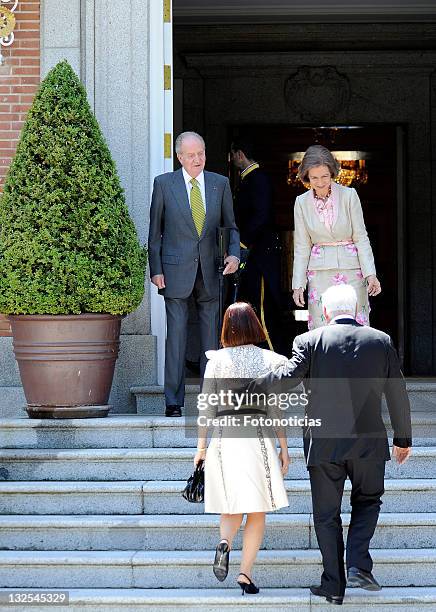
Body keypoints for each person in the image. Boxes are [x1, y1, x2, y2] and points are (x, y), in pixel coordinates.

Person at [250, 284, 412, 605]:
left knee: (326, 516)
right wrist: (403, 439)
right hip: (369, 441)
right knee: (368, 501)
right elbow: (398, 394)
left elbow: (287, 378)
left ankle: (333, 585)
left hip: (323, 443)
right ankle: (358, 564)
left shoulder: (309, 341)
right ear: (356, 311)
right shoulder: (381, 341)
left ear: (324, 312)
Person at [194, 302, 290, 594]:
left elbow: (206, 408)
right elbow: (276, 408)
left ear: (225, 328)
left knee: (231, 503)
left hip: (223, 439)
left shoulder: (216, 361)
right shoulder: (270, 360)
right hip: (257, 436)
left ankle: (225, 543)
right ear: (255, 326)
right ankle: (245, 574)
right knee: (257, 510)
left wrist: (200, 448)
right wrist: (283, 447)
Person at [148, 132, 240, 417]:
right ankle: (173, 402)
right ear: (179, 157)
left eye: (200, 153)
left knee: (211, 340)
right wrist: (156, 270)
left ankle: (210, 400)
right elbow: (155, 233)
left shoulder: (219, 184)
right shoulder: (164, 184)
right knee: (176, 338)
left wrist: (234, 254)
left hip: (211, 270)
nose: (197, 159)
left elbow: (231, 227)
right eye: (190, 155)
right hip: (175, 272)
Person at [292, 144, 382, 330]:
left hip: (352, 270)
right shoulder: (301, 202)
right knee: (321, 326)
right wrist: (298, 284)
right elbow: (301, 246)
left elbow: (361, 237)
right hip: (319, 272)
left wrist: (371, 274)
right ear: (306, 176)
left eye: (325, 176)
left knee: (356, 324)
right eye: (314, 177)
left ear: (332, 173)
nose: (320, 182)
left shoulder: (350, 196)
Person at [230, 139, 284, 353]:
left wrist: (242, 243)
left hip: (260, 256)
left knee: (263, 311)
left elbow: (261, 216)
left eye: (233, 155)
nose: (232, 159)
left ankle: (276, 358)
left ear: (240, 154)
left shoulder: (257, 179)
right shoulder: (248, 179)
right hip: (254, 255)